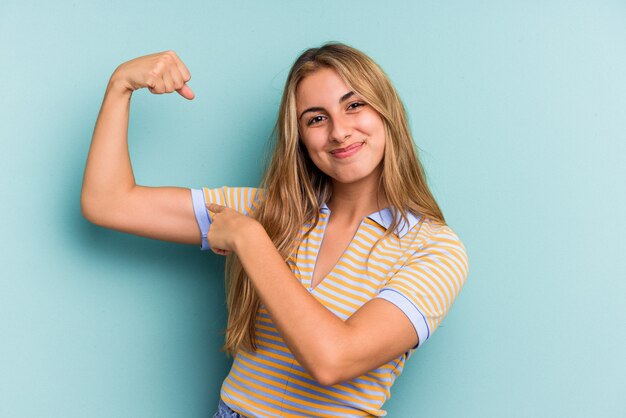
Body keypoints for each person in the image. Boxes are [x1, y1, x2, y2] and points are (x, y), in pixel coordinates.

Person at [81, 43, 469, 417]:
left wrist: (249, 240)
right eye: (316, 118)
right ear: (299, 138)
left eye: (354, 105)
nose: (338, 131)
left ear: (387, 112)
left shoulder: (435, 250)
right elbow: (108, 202)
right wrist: (121, 86)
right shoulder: (271, 212)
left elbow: (333, 360)